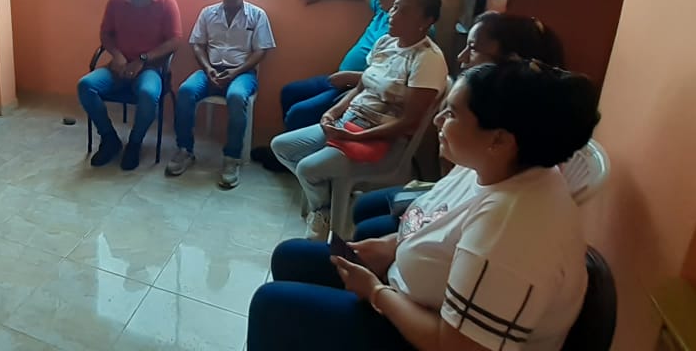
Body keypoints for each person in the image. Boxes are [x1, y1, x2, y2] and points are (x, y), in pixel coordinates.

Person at [248, 61, 599, 351]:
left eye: (452, 114)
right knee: (290, 256)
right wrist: (390, 246)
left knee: (272, 306)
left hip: (425, 338)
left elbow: (457, 345)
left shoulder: (513, 231)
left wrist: (377, 292)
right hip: (410, 295)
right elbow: (439, 220)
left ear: (500, 139)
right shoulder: (487, 165)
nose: (437, 120)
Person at [350, 12, 567, 240]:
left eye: (472, 48)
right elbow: (453, 180)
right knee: (364, 207)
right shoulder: (477, 102)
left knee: (368, 230)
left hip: (462, 208)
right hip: (453, 194)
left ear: (510, 63)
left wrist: (403, 241)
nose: (461, 57)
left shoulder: (512, 133)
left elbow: (471, 205)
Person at [272, 0, 448, 242]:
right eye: (395, 7)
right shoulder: (385, 43)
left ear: (426, 21)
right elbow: (361, 87)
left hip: (382, 141)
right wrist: (333, 113)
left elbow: (409, 122)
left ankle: (323, 213)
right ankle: (326, 206)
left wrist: (357, 138)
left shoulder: (427, 59)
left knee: (308, 168)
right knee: (281, 147)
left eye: (404, 11)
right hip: (349, 123)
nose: (393, 14)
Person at [168, 0, 276, 189]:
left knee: (236, 96)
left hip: (242, 73)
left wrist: (235, 72)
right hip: (211, 70)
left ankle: (231, 158)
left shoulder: (257, 16)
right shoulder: (208, 13)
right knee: (186, 91)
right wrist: (208, 68)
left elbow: (261, 51)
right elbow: (197, 45)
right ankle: (185, 150)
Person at [277, 0, 418, 132]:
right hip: (341, 78)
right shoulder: (383, 9)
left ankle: (303, 145)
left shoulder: (412, 31)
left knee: (298, 113)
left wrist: (354, 77)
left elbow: (397, 78)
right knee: (289, 92)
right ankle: (288, 143)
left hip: (361, 89)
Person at [78, 0, 183, 170]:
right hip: (119, 66)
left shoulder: (166, 2)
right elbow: (106, 34)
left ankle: (135, 143)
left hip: (150, 68)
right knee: (85, 86)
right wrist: (117, 56)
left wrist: (143, 60)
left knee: (148, 94)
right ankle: (109, 138)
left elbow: (175, 40)